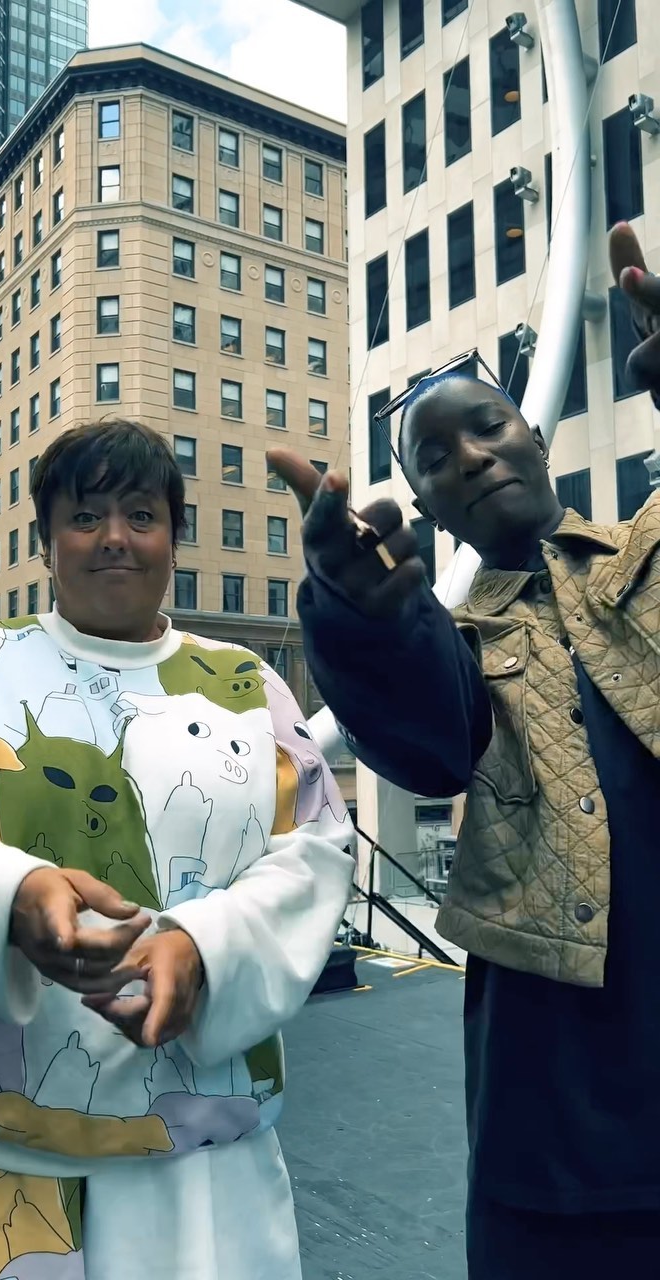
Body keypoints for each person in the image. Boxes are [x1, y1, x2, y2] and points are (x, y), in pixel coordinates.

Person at [269, 223, 660, 1278]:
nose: (471, 456)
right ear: (428, 510)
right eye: (435, 459)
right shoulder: (453, 643)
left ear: (535, 435)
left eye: (487, 427)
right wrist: (357, 617)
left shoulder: (649, 554)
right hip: (559, 1114)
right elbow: (428, 736)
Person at [0, 418, 354, 1280]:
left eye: (140, 515)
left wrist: (204, 948)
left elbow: (314, 850)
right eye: (85, 517)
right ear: (46, 540)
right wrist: (7, 900)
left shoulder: (245, 683)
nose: (114, 538)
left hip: (202, 1153)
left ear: (174, 539)